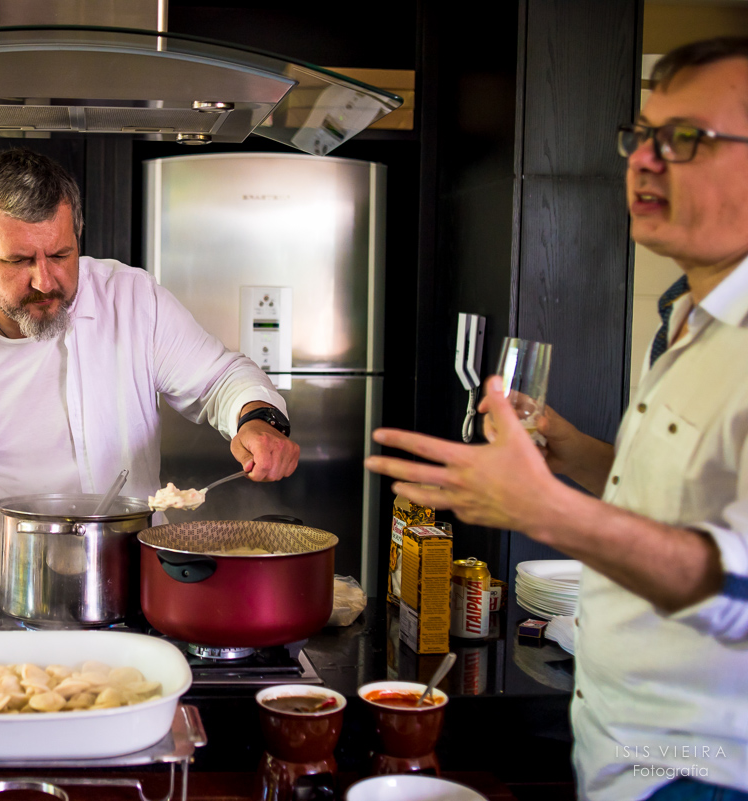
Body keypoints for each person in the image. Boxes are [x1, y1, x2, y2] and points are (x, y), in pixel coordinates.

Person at [365, 37, 748, 801]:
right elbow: (673, 504)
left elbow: (736, 581)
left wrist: (545, 508)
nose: (643, 160)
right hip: (616, 750)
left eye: (683, 140)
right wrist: (571, 453)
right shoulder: (689, 317)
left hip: (703, 775)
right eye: (641, 135)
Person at [0, 148, 300, 590]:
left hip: (122, 579)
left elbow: (220, 379)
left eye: (60, 255)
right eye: (19, 261)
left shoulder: (132, 300)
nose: (45, 281)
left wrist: (256, 418)